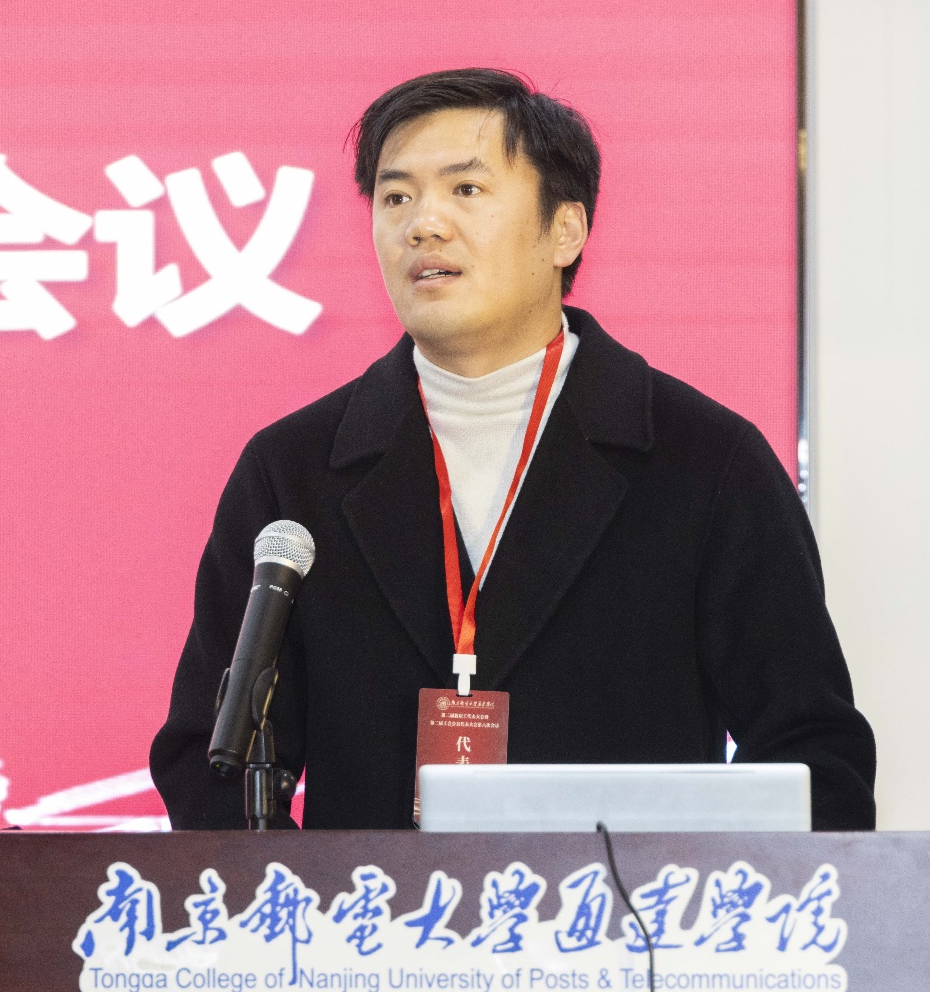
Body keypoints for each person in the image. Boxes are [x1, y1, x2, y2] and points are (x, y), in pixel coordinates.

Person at [151, 69, 876, 831]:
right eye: (395, 198)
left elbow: (811, 754)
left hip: (621, 907)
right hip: (371, 909)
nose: (422, 225)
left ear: (565, 230)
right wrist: (308, 904)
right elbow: (210, 758)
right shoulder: (294, 469)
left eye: (465, 190)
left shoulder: (702, 459)